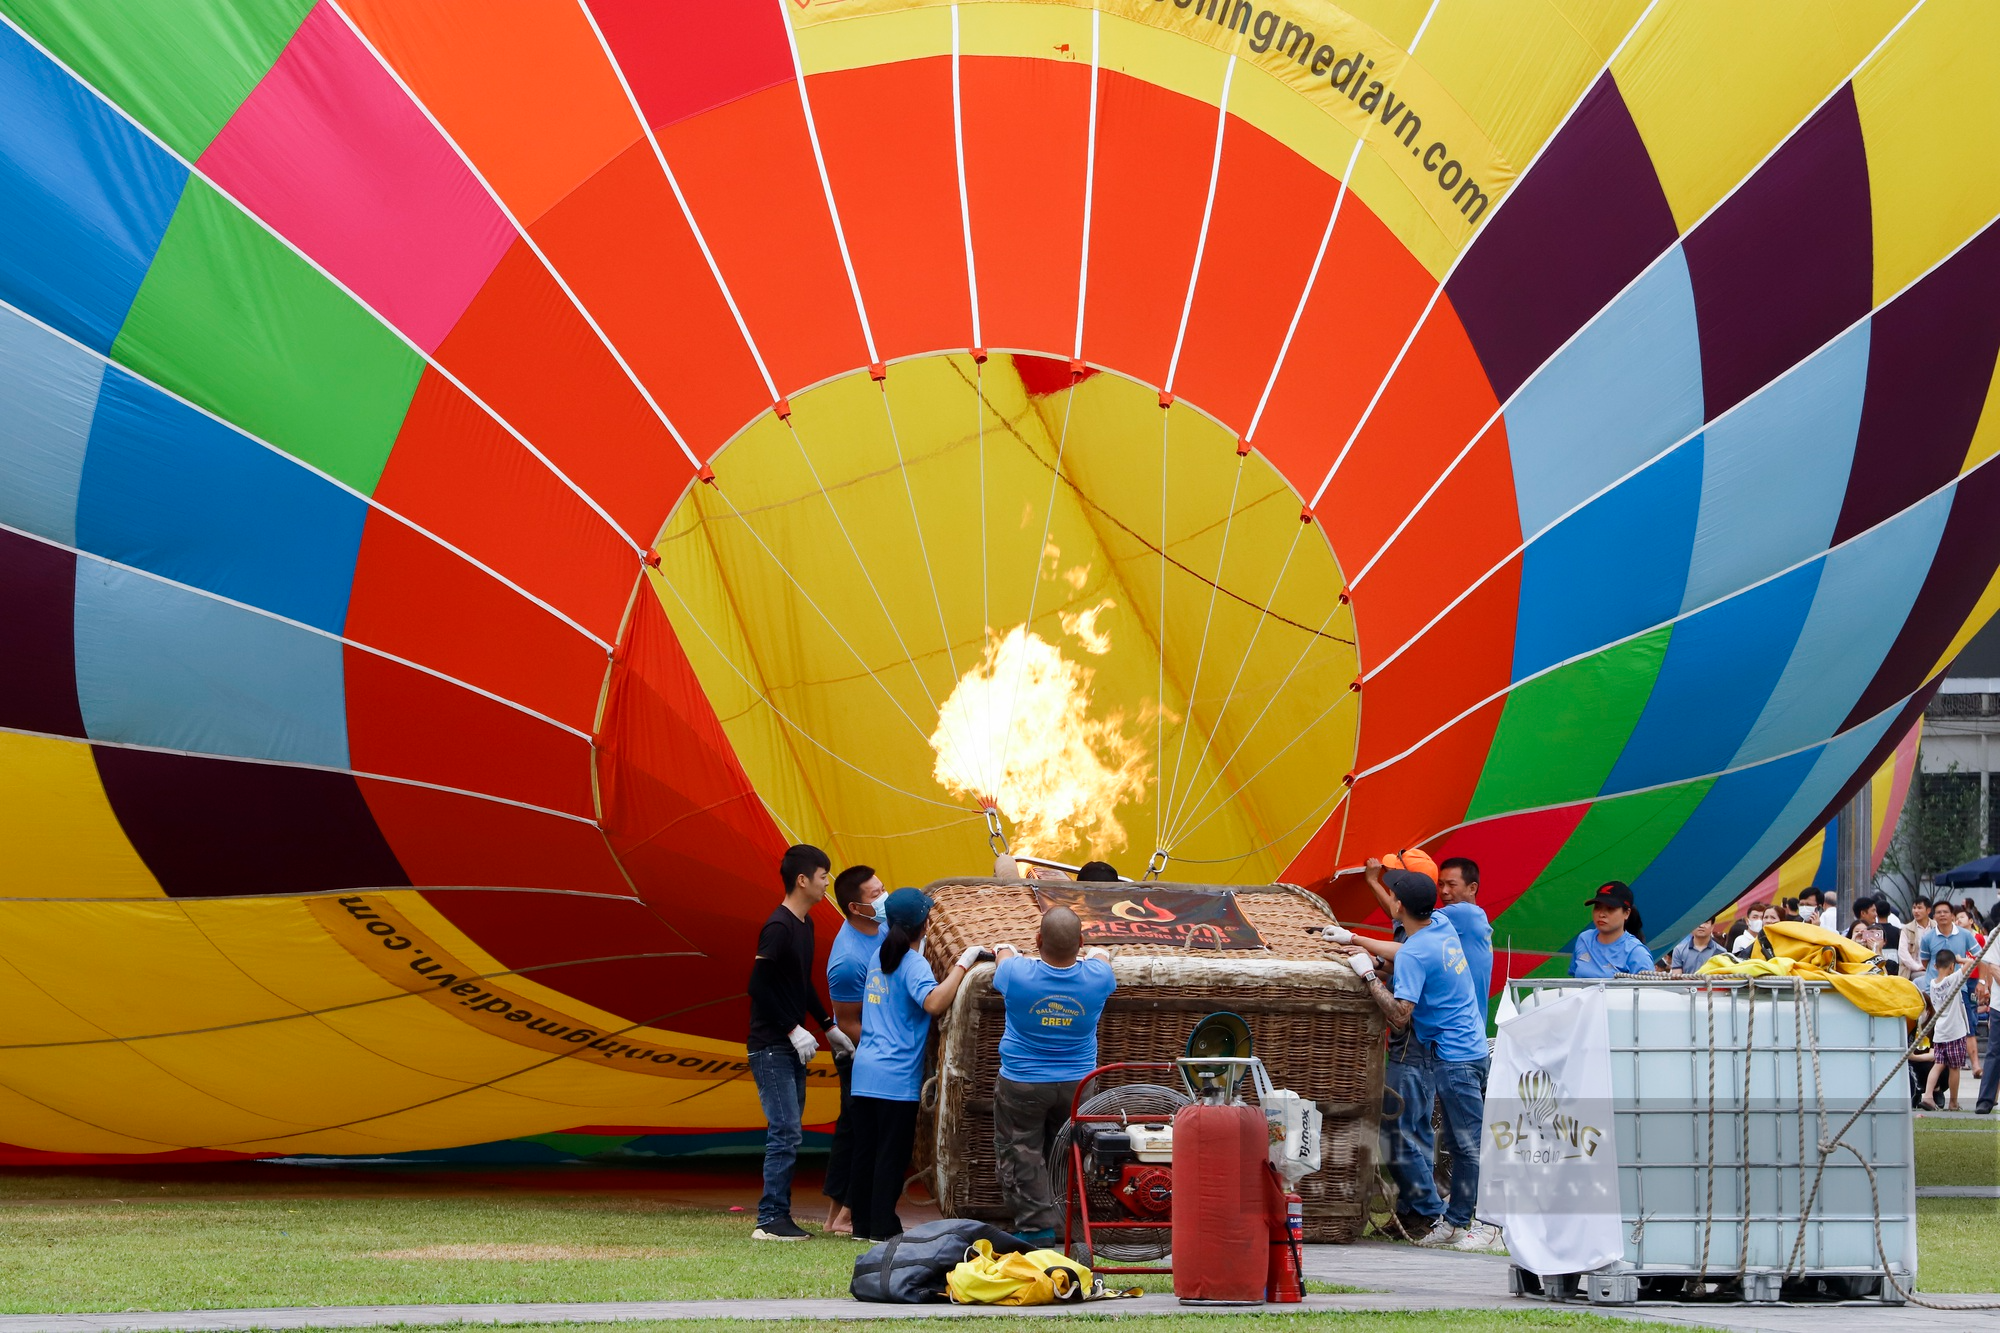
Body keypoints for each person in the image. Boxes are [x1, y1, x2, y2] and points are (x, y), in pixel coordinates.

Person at [1339, 862, 1494, 1251]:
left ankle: (1480, 1223)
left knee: (1466, 1143)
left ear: (1399, 906)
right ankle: (1457, 1219)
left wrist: (1369, 976)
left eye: (1392, 896)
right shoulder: (1441, 927)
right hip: (1471, 1047)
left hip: (1454, 1059)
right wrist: (1356, 939)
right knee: (1462, 1141)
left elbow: (1401, 1015)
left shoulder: (1414, 956)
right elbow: (1406, 949)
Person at [848, 888, 983, 1242]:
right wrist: (963, 964)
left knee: (865, 1152)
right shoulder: (912, 963)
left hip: (864, 1072)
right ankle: (882, 1227)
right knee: (890, 1156)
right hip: (895, 1077)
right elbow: (934, 1002)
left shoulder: (881, 955)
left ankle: (861, 1225)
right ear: (923, 926)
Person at [989, 907, 1117, 1244]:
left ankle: (1036, 1229)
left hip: (1022, 1082)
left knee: (1021, 1151)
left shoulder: (1016, 974)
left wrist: (1006, 948)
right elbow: (1102, 957)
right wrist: (1097, 952)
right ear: (1080, 942)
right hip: (1078, 1085)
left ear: (1037, 940)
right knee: (1069, 1152)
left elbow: (1002, 952)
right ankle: (1068, 1223)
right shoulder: (1098, 978)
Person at [747, 845, 853, 1241]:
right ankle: (770, 1219)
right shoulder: (778, 926)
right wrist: (792, 1028)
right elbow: (758, 985)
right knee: (786, 1130)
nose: (827, 882)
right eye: (823, 875)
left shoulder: (804, 925)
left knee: (791, 1131)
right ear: (803, 880)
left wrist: (828, 1026)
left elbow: (799, 983)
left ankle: (778, 1215)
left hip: (792, 1045)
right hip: (771, 1044)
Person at [821, 864, 886, 1236]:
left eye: (882, 889)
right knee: (858, 1129)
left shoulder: (885, 928)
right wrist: (885, 1050)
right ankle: (843, 1214)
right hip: (858, 1050)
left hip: (881, 1045)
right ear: (855, 907)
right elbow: (846, 1023)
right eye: (876, 895)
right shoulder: (848, 959)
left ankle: (839, 1215)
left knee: (857, 1128)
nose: (884, 897)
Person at [1566, 882, 1655, 977]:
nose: (1601, 914)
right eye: (1597, 907)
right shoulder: (1584, 939)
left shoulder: (1637, 953)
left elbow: (1648, 991)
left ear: (1626, 913)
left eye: (1610, 908)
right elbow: (1574, 979)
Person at [1923, 948, 1973, 1111]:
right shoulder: (1953, 979)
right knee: (1954, 1067)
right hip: (1955, 1031)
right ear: (1952, 967)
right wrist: (1960, 959)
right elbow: (1971, 962)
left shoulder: (1933, 984)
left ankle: (1928, 1095)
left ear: (1935, 966)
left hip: (1940, 1032)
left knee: (1938, 1064)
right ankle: (1953, 1102)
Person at [1895, 897, 1933, 979]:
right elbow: (1903, 953)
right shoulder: (1906, 929)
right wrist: (1917, 967)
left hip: (1934, 970)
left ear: (1928, 910)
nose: (1916, 911)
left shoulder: (1936, 927)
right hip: (1912, 971)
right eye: (1914, 908)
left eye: (1919, 908)